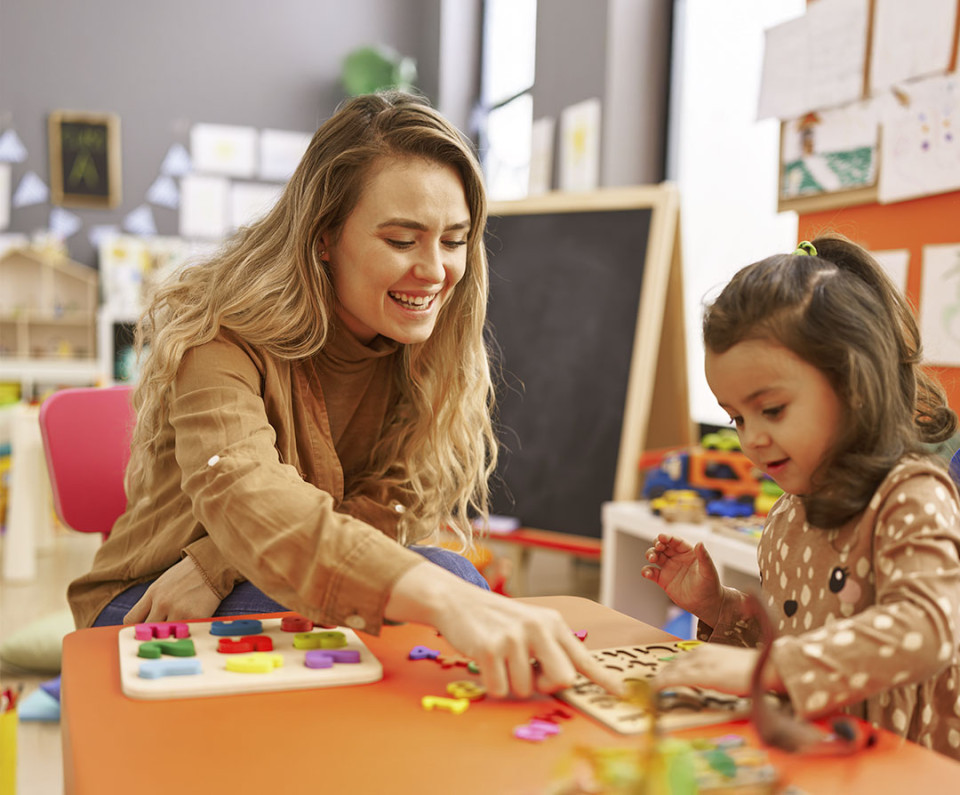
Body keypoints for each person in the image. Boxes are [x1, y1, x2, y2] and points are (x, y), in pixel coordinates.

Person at [68, 90, 620, 700]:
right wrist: (446, 597)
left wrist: (216, 562)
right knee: (445, 578)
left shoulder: (425, 350)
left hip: (237, 577)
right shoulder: (218, 335)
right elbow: (246, 494)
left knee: (440, 594)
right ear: (325, 236)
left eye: (455, 240)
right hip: (149, 600)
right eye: (402, 240)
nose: (435, 270)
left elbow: (379, 510)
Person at [641, 235, 960, 758]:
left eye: (772, 409)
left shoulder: (912, 495)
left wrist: (763, 668)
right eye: (737, 418)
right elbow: (796, 646)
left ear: (853, 386)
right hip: (822, 756)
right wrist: (720, 608)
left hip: (909, 768)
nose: (752, 439)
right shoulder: (788, 515)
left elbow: (926, 629)